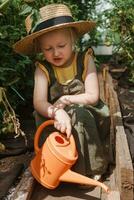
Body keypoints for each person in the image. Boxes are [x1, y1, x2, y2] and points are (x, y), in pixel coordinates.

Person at [13, 3, 110, 184]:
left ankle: (91, 168)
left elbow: (92, 96)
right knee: (49, 124)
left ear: (72, 41)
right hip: (54, 118)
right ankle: (56, 166)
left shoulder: (85, 60)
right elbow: (39, 102)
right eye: (48, 49)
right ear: (40, 49)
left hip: (86, 112)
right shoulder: (42, 69)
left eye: (61, 45)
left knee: (80, 115)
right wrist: (57, 112)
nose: (55, 52)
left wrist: (66, 100)